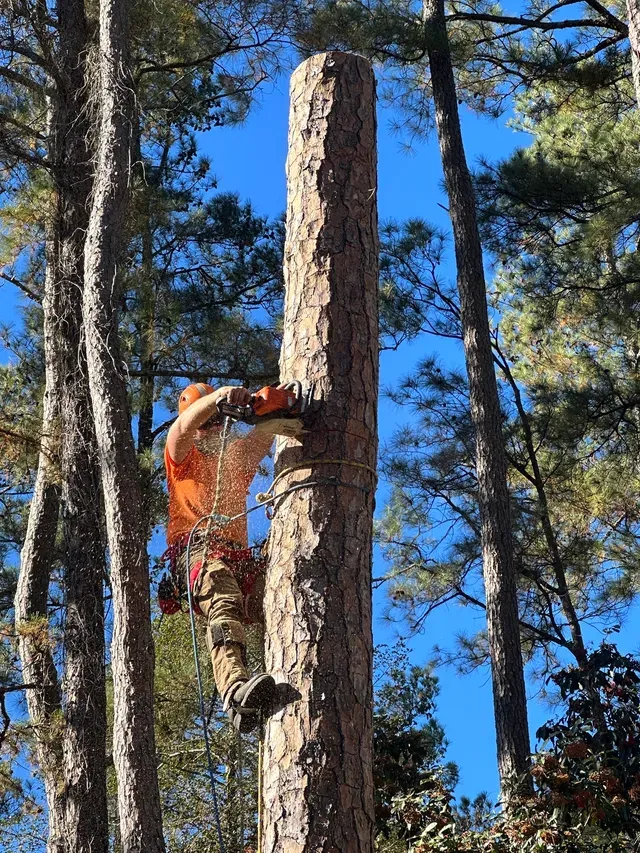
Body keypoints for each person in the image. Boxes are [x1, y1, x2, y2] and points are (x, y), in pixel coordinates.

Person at [164, 382, 277, 732]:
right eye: (207, 424)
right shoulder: (181, 456)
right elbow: (181, 428)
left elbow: (267, 433)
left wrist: (270, 402)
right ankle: (235, 693)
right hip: (197, 551)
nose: (213, 430)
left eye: (216, 424)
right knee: (224, 601)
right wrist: (217, 399)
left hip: (240, 558)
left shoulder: (236, 458)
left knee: (277, 601)